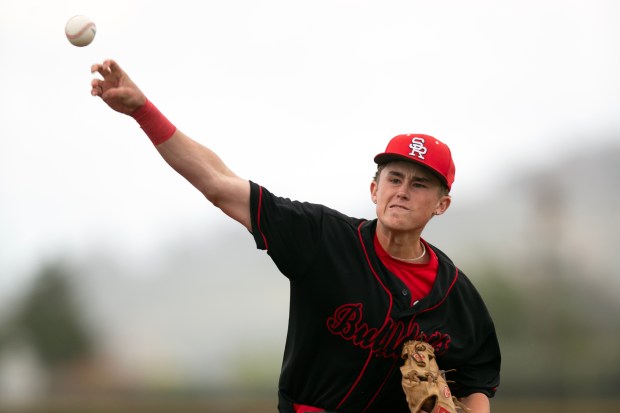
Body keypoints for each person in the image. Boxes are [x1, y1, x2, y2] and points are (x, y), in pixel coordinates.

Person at [90, 59, 501, 413]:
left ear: (441, 205)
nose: (403, 191)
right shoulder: (323, 239)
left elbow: (477, 374)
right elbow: (219, 184)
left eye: (420, 184)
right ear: (375, 189)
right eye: (394, 178)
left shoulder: (453, 293)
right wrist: (142, 110)